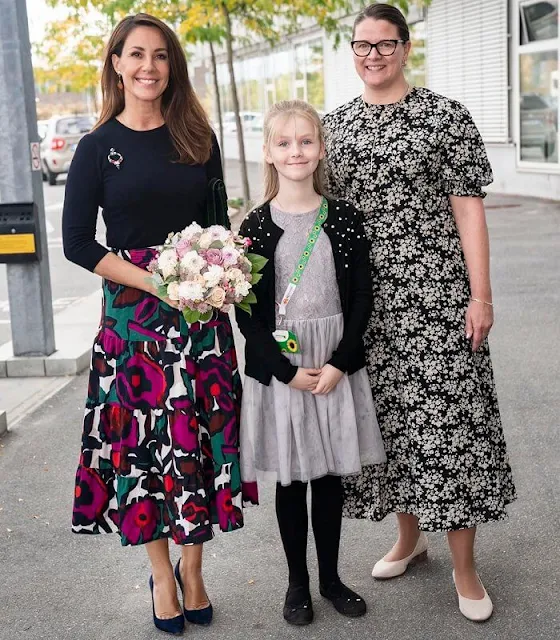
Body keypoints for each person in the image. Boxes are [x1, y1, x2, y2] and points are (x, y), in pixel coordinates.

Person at [322, 3, 517, 623]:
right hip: (365, 308)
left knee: (450, 430)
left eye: (385, 44)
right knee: (391, 428)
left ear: (406, 48)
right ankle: (411, 538)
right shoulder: (336, 127)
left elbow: (468, 211)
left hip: (436, 301)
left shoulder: (443, 117)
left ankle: (465, 567)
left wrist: (479, 294)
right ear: (351, 51)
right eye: (362, 44)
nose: (373, 54)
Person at [62, 13, 243, 634]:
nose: (148, 67)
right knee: (143, 451)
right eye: (136, 55)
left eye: (160, 56)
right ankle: (162, 573)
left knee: (196, 444)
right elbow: (77, 244)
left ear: (173, 66)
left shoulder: (199, 137)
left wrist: (216, 277)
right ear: (116, 63)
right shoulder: (95, 147)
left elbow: (220, 225)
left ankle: (194, 568)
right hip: (133, 321)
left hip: (200, 320)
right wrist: (153, 281)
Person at [236, 100, 386, 626]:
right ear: (270, 153)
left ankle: (331, 578)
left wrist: (342, 363)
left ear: (321, 148)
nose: (295, 151)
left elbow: (362, 298)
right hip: (284, 370)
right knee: (292, 481)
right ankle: (297, 583)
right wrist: (284, 370)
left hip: (332, 366)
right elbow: (247, 312)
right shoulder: (254, 226)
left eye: (305, 141)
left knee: (327, 478)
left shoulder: (344, 218)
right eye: (284, 143)